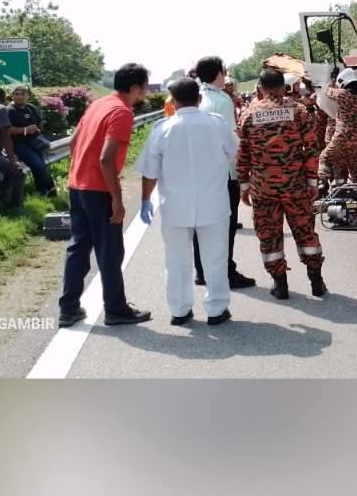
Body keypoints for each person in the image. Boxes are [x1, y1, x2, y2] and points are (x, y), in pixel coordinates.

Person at [137, 78, 239, 325]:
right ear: (200, 98)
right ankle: (216, 310)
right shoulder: (217, 124)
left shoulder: (162, 128)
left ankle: (180, 310)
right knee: (215, 257)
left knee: (176, 260)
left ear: (172, 101)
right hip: (213, 203)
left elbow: (150, 172)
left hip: (174, 205)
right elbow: (235, 154)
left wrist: (144, 201)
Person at [57, 63, 152, 328]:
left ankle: (69, 309)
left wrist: (79, 173)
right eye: (144, 88)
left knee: (78, 248)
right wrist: (117, 199)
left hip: (77, 186)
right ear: (134, 88)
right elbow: (106, 160)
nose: (145, 93)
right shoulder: (122, 112)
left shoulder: (98, 104)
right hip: (99, 191)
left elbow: (72, 143)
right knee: (110, 252)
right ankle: (115, 309)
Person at [237, 68, 326, 300]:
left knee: (269, 235)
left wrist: (244, 185)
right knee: (306, 231)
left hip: (263, 189)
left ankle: (280, 284)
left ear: (260, 88)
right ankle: (316, 280)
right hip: (296, 186)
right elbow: (312, 147)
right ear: (282, 87)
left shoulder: (248, 113)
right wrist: (312, 179)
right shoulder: (298, 111)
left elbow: (243, 153)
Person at [193, 56, 256, 289]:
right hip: (222, 175)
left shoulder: (196, 97)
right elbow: (231, 142)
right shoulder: (222, 101)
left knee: (201, 226)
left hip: (199, 174)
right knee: (226, 227)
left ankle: (201, 271)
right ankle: (226, 271)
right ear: (218, 74)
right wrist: (239, 176)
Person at [318, 68, 357, 189]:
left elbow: (327, 91)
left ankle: (323, 184)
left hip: (341, 138)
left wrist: (332, 80)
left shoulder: (343, 95)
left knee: (324, 158)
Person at [7, 85, 57, 196]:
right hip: (19, 145)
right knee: (38, 165)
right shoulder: (9, 111)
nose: (19, 96)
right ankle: (44, 192)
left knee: (43, 166)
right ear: (11, 96)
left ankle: (48, 194)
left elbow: (39, 121)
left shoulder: (30, 107)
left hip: (34, 142)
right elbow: (6, 130)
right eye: (16, 94)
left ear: (27, 96)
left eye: (22, 94)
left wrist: (39, 130)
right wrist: (24, 130)